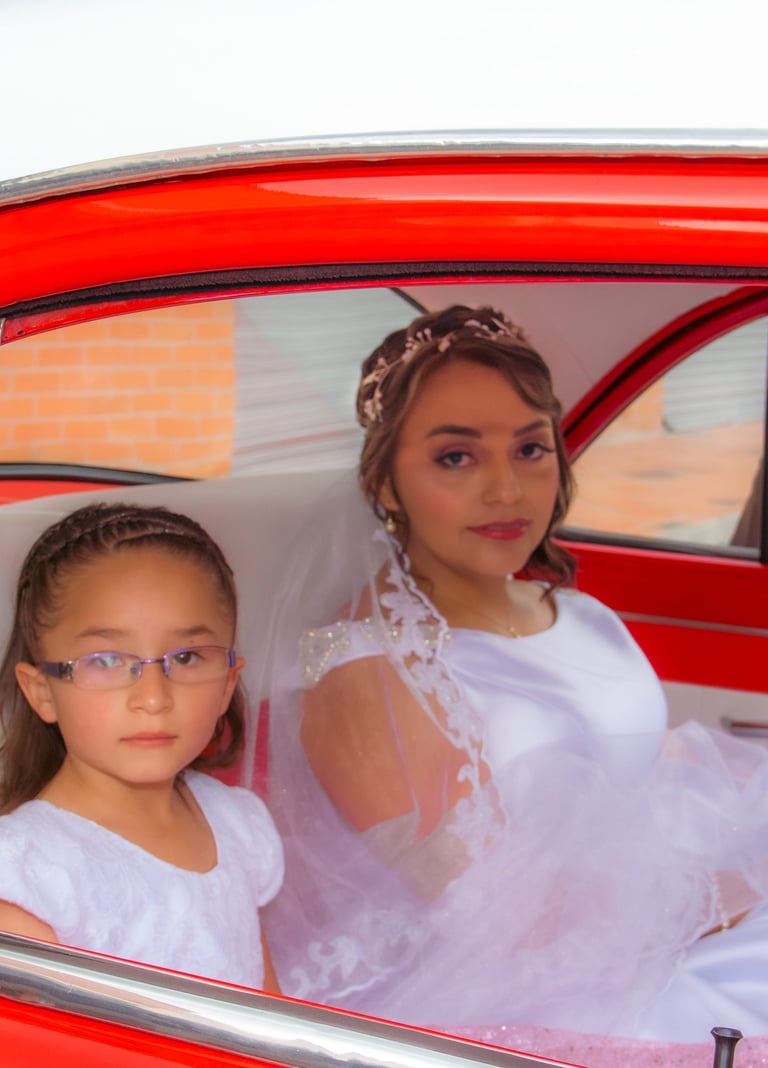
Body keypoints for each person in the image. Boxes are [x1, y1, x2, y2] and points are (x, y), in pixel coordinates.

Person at [259, 305, 768, 1066]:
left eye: (530, 448)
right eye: (456, 457)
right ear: (387, 482)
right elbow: (488, 913)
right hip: (542, 998)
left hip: (667, 928)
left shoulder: (584, 615)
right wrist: (713, 898)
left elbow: (655, 775)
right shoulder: (363, 673)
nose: (507, 489)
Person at [0, 502, 283, 991]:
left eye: (187, 657)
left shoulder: (235, 825)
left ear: (226, 683)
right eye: (106, 660)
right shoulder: (28, 874)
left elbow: (270, 1012)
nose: (153, 698)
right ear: (42, 691)